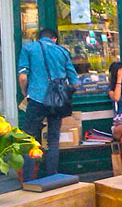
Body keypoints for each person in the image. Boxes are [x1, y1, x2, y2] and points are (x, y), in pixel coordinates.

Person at [18, 28, 79, 181]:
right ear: (54, 39)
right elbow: (75, 83)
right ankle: (51, 176)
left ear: (39, 38)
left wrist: (25, 93)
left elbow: (23, 77)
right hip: (57, 101)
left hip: (36, 98)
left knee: (29, 140)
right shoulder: (62, 52)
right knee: (53, 140)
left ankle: (28, 180)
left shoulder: (28, 48)